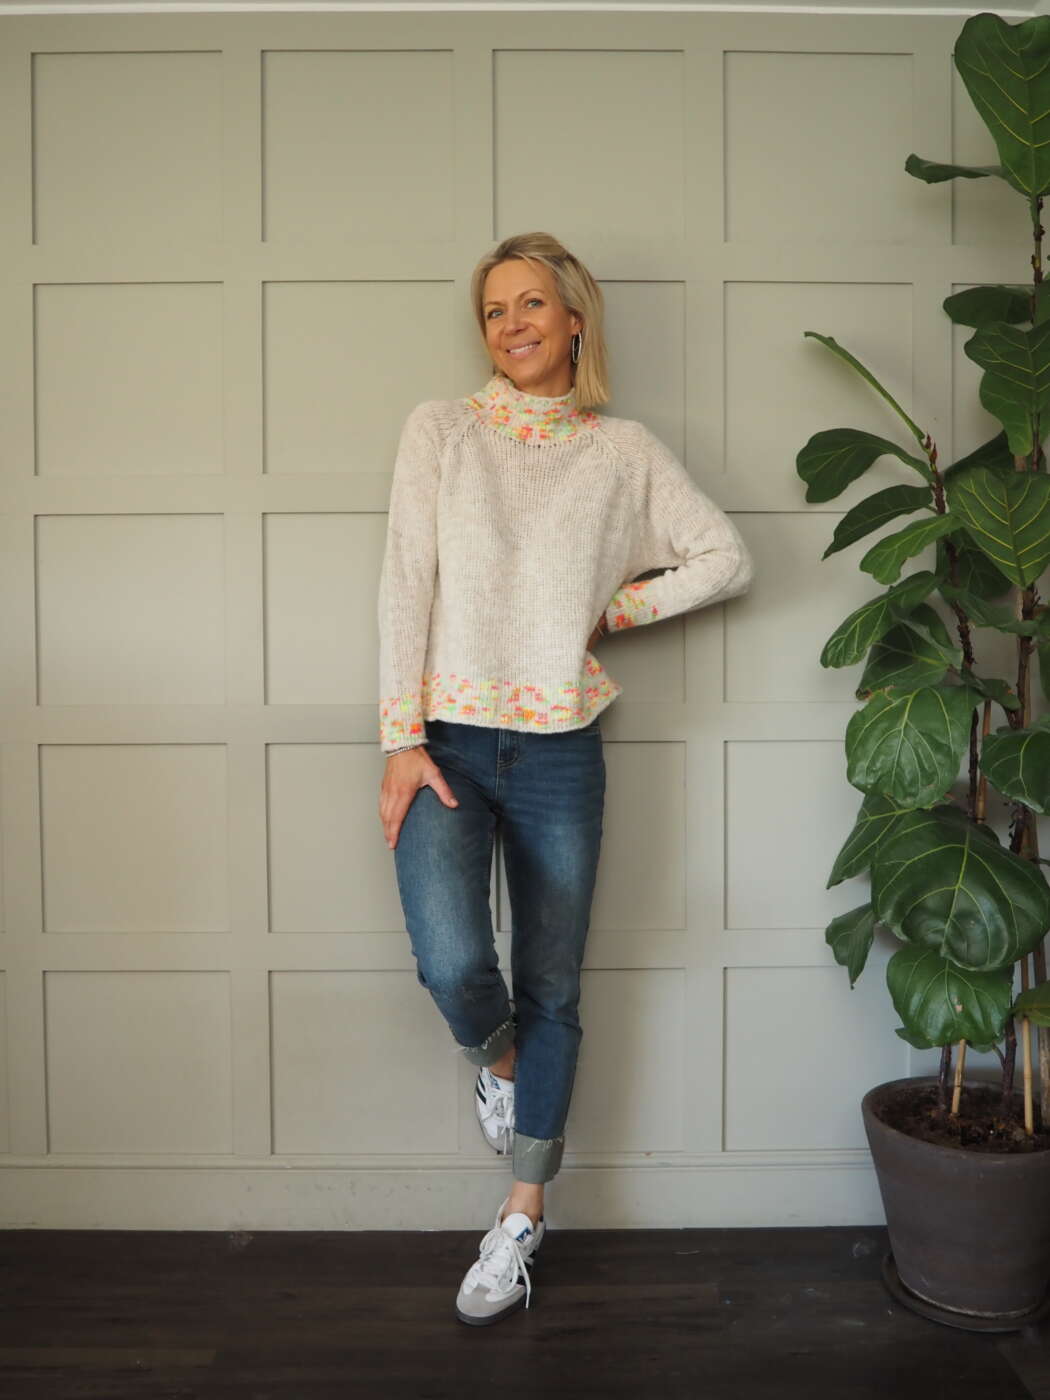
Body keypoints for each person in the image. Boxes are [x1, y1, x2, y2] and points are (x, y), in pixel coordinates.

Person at [376, 231, 753, 1325]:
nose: (512, 325)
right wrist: (400, 737)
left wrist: (604, 610)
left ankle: (522, 1213)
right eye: (495, 310)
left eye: (532, 303)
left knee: (553, 982)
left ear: (575, 318)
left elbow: (726, 556)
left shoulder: (621, 452)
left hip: (558, 749)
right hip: (446, 740)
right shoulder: (441, 431)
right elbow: (405, 581)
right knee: (455, 961)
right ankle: (502, 1064)